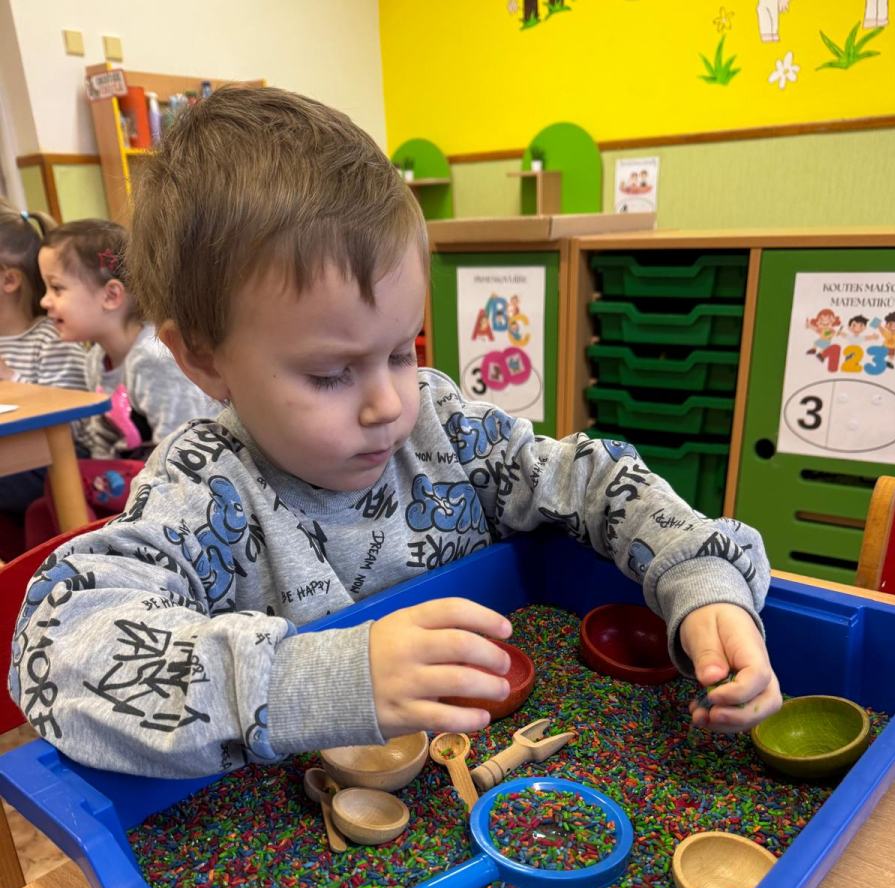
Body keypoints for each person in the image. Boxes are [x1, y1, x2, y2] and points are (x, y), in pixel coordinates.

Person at [10, 87, 781, 779]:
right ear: (204, 359)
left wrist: (702, 582)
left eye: (402, 350)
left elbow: (594, 480)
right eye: (330, 374)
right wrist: (322, 681)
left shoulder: (442, 425)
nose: (388, 404)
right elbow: (55, 644)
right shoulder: (206, 492)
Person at [38, 218, 214, 456]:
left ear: (111, 296)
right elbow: (102, 442)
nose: (44, 301)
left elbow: (183, 451)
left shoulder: (155, 359)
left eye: (57, 288)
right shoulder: (95, 360)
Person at [0, 202, 91, 521]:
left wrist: (11, 379)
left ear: (9, 281)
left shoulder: (52, 338)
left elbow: (73, 422)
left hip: (56, 462)